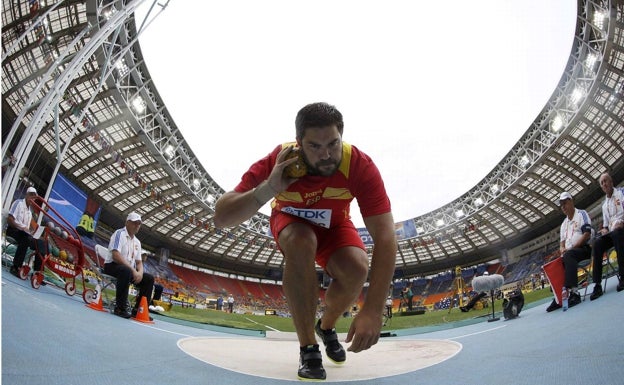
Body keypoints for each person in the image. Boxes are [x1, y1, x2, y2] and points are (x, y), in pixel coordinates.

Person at [214, 102, 397, 381]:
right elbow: (222, 217)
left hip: (335, 227)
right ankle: (308, 346)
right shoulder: (279, 159)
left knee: (357, 267)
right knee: (301, 240)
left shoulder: (359, 165)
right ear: (299, 143)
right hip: (291, 223)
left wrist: (373, 309)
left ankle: (326, 326)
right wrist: (270, 188)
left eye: (333, 144)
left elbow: (385, 235)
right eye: (314, 146)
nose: (326, 155)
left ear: (342, 137)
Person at [546, 192, 592, 312]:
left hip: (583, 249)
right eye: (561, 205)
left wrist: (570, 249)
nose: (563, 207)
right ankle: (558, 298)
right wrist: (562, 250)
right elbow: (562, 244)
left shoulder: (581, 214)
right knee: (552, 262)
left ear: (571, 201)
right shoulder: (563, 225)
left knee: (569, 254)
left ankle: (574, 293)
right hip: (569, 254)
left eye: (565, 203)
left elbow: (587, 234)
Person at [104, 212, 154, 319]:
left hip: (127, 270)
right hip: (112, 266)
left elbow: (139, 262)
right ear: (127, 222)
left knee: (149, 279)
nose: (137, 226)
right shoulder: (119, 234)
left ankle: (138, 310)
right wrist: (133, 270)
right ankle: (120, 308)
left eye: (139, 224)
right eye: (135, 223)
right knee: (125, 270)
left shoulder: (137, 242)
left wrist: (139, 273)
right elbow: (116, 255)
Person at [589, 172, 624, 300]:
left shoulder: (621, 193)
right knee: (597, 243)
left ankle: (623, 276)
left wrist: (622, 223)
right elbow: (605, 225)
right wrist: (604, 230)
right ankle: (597, 285)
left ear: (611, 182)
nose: (604, 184)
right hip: (612, 232)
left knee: (618, 233)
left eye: (606, 181)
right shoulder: (604, 206)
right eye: (602, 183)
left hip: (622, 229)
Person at [6, 187, 42, 278]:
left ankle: (37, 273)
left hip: (23, 233)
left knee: (41, 243)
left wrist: (31, 232)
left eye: (34, 197)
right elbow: (10, 219)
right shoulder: (18, 203)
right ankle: (16, 266)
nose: (32, 198)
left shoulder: (30, 212)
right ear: (26, 194)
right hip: (13, 230)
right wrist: (21, 228)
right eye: (31, 195)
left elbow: (27, 228)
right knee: (26, 238)